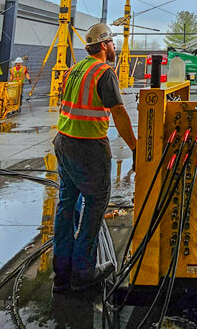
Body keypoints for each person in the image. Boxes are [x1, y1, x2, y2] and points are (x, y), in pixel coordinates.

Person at [53, 23, 137, 293]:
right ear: (103, 45)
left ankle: (62, 270)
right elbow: (119, 114)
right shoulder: (104, 72)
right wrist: (135, 147)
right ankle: (83, 269)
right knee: (96, 200)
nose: (114, 47)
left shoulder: (73, 70)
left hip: (63, 142)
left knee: (67, 202)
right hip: (88, 146)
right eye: (111, 42)